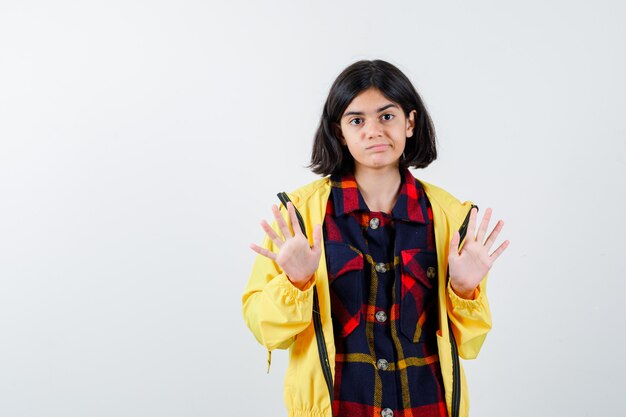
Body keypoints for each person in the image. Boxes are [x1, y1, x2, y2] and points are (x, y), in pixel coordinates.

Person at [242, 59, 509, 417]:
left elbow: (470, 345)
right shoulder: (299, 218)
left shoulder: (451, 219)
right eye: (357, 120)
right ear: (340, 132)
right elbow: (267, 331)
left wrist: (463, 291)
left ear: (410, 123)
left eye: (387, 116)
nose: (373, 131)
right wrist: (297, 281)